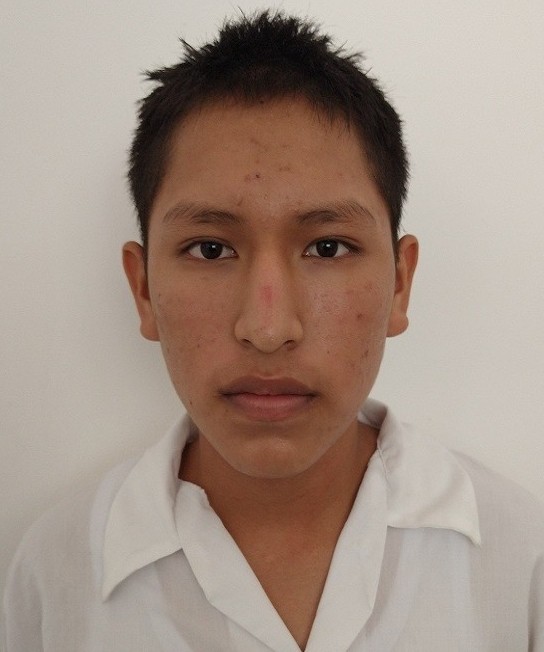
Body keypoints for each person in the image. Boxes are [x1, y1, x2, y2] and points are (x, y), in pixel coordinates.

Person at [3, 10, 543, 652]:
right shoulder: (55, 574)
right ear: (143, 288)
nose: (267, 329)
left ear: (399, 284)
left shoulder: (521, 561)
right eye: (210, 249)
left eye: (327, 247)